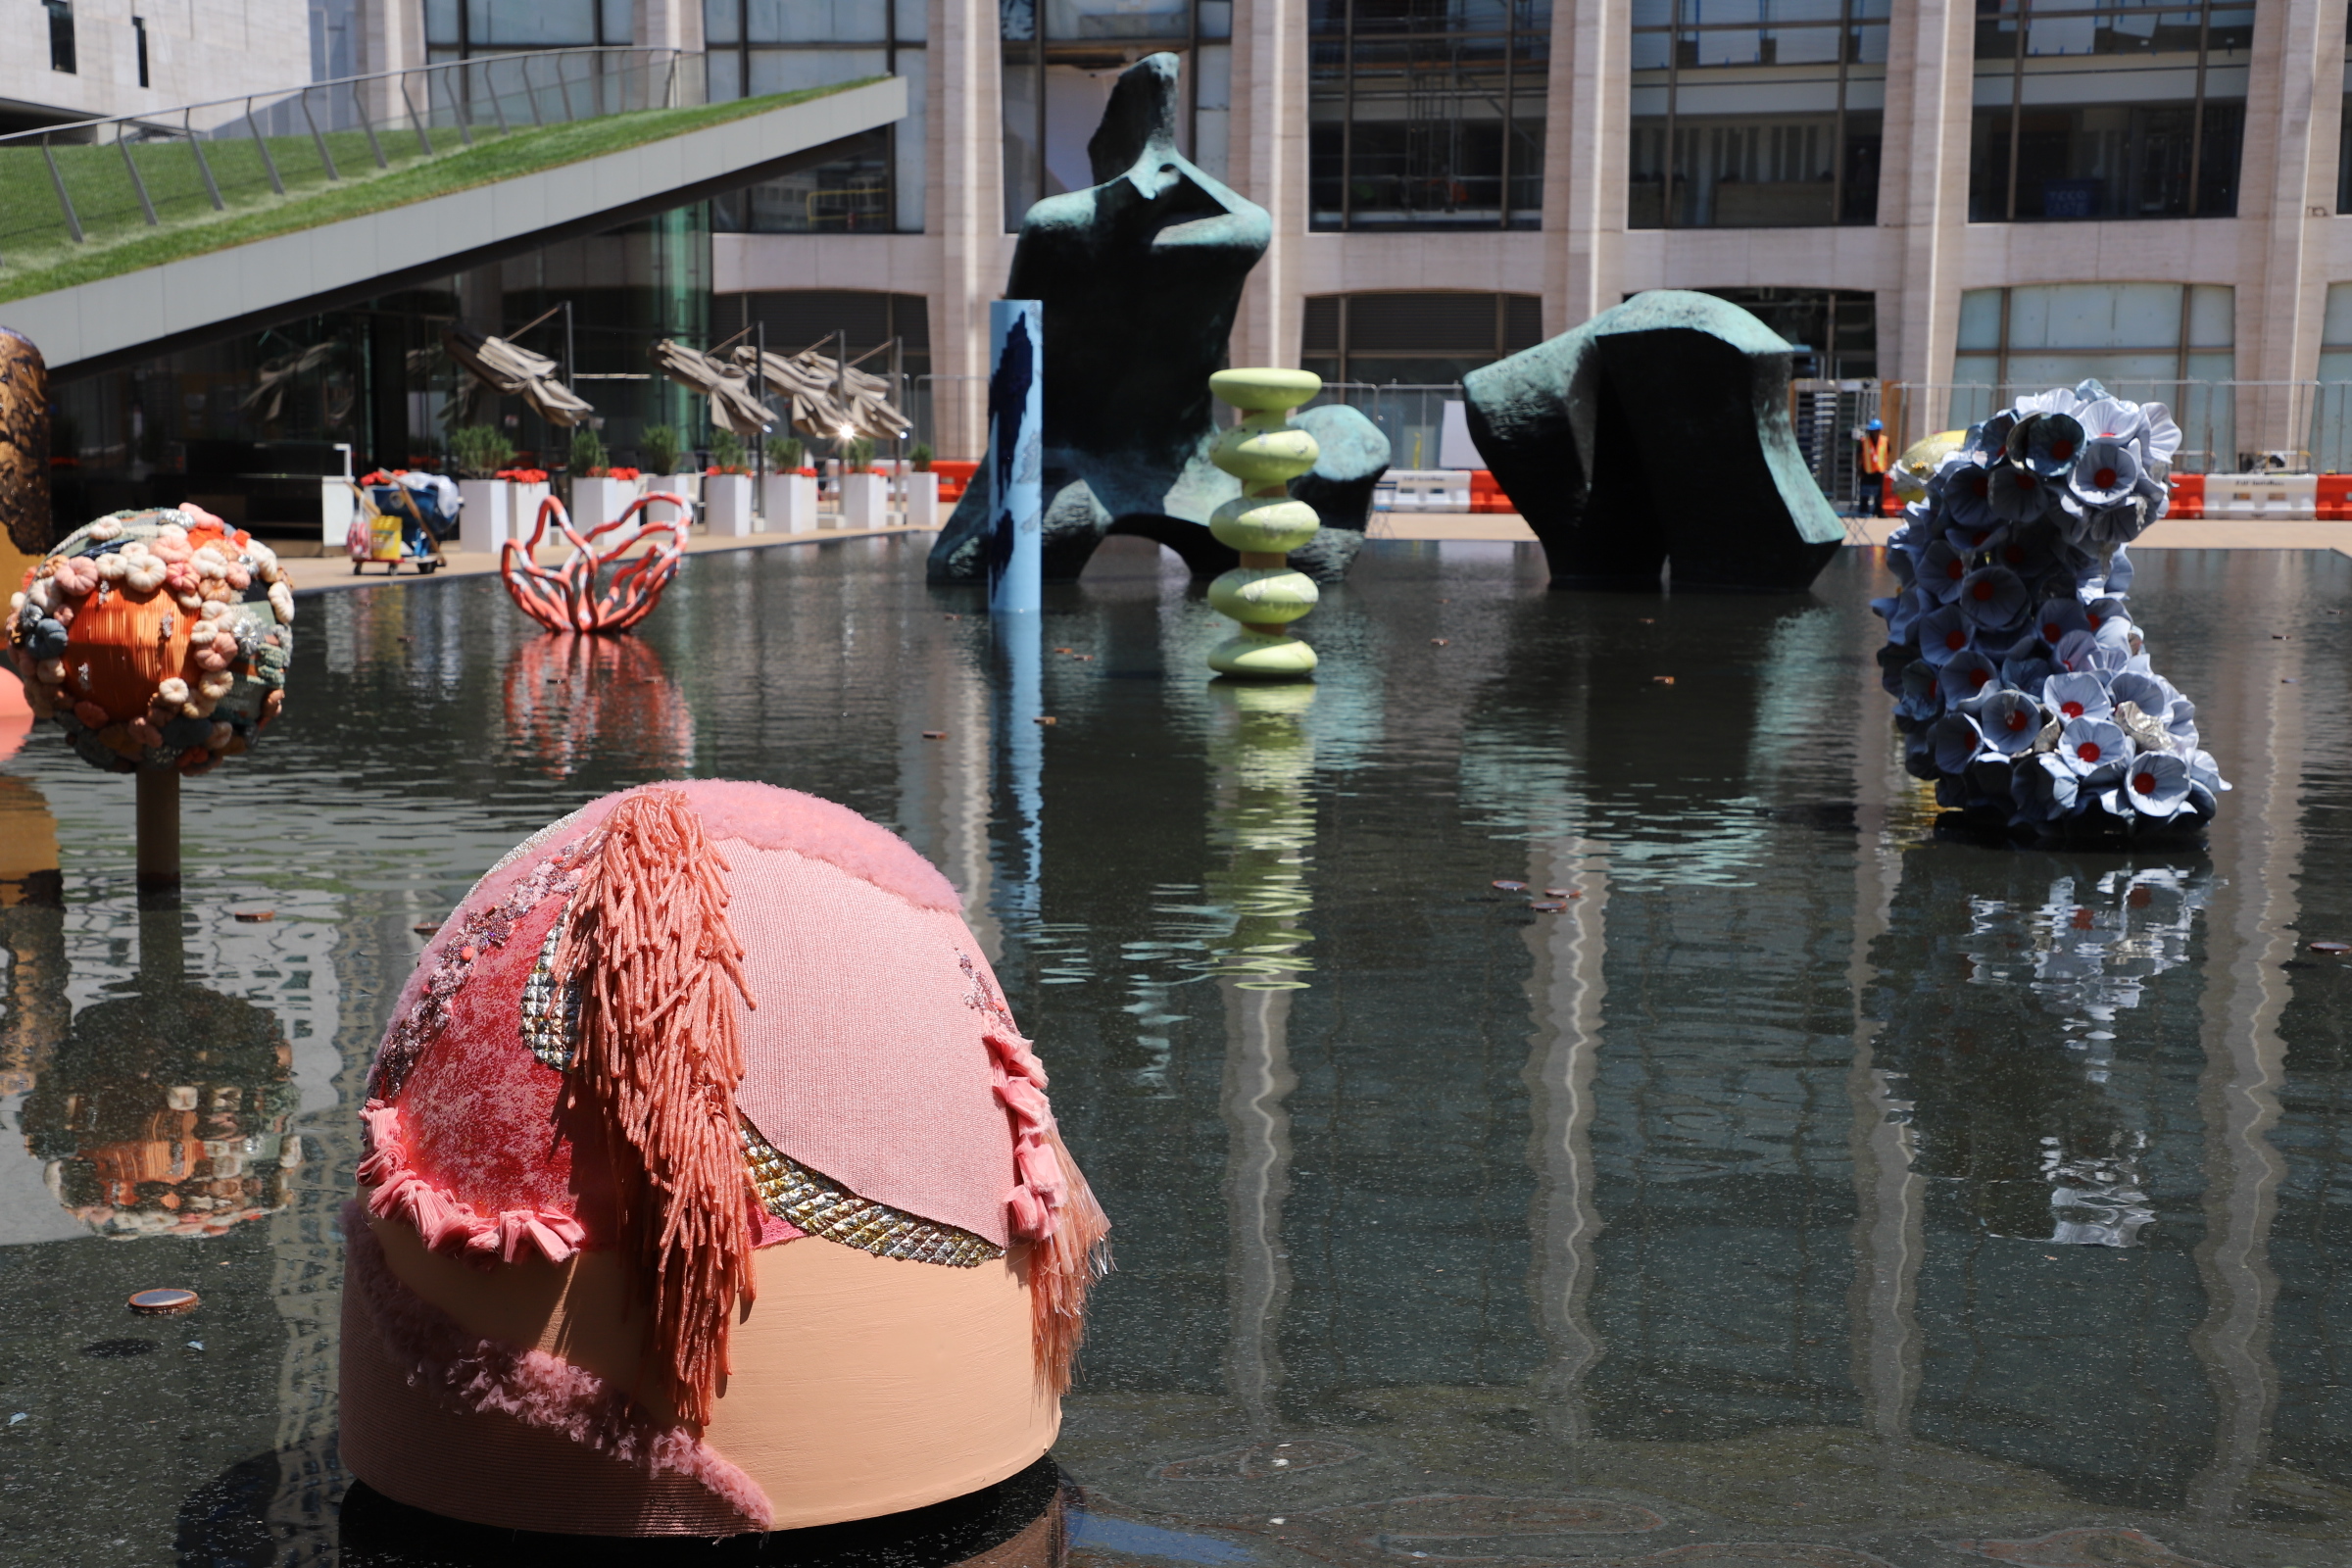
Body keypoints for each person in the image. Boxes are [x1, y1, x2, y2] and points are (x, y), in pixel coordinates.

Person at [1854, 416, 1889, 517]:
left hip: (1879, 471)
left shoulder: (1885, 440)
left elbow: (1887, 452)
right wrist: (1858, 469)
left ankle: (1879, 511)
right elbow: (1859, 455)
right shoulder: (1864, 441)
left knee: (1879, 494)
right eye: (1872, 431)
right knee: (1865, 493)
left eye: (1876, 431)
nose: (1874, 433)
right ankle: (1863, 511)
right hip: (1867, 471)